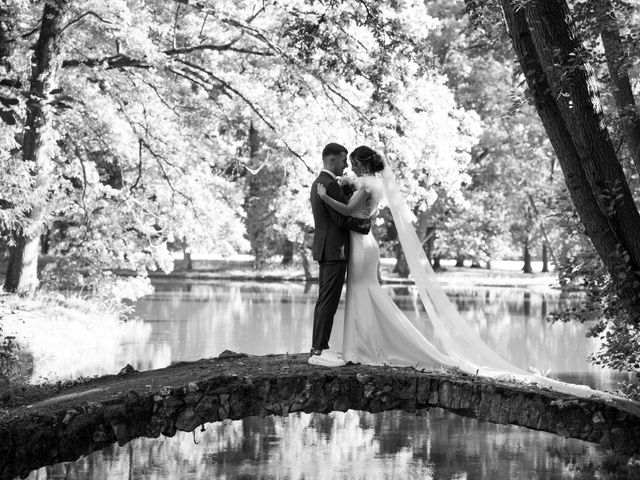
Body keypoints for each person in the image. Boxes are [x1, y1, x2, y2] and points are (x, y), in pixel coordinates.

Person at [316, 145, 623, 402]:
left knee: (362, 289)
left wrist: (326, 197)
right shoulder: (374, 184)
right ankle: (360, 346)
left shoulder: (366, 185)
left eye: (352, 163)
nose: (349, 167)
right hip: (366, 242)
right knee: (366, 289)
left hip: (359, 242)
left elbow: (346, 211)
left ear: (361, 163)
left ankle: (362, 346)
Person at [309, 143, 371, 367]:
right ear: (332, 160)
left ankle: (319, 347)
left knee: (324, 299)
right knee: (329, 300)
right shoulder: (329, 186)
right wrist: (364, 226)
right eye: (343, 160)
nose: (346, 166)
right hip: (335, 249)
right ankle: (319, 350)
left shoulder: (320, 182)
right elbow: (340, 219)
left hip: (326, 247)